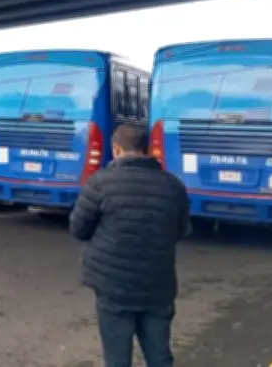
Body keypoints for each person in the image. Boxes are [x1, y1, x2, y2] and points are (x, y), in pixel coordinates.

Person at [69, 124, 190, 367]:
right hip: (157, 285)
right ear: (147, 149)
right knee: (159, 356)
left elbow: (79, 228)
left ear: (116, 149)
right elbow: (181, 230)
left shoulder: (100, 183)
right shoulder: (173, 186)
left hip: (113, 287)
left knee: (117, 358)